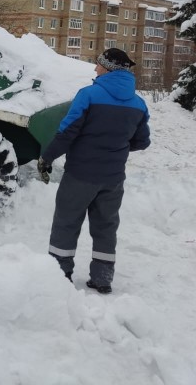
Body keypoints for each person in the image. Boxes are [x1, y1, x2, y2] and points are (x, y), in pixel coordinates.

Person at [37, 48, 150, 294]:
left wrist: (47, 156)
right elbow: (142, 142)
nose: (95, 69)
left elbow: (68, 132)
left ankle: (59, 273)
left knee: (66, 222)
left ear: (108, 68)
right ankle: (102, 277)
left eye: (99, 64)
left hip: (80, 174)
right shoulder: (139, 104)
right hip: (113, 180)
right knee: (106, 226)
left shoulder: (88, 95)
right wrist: (115, 148)